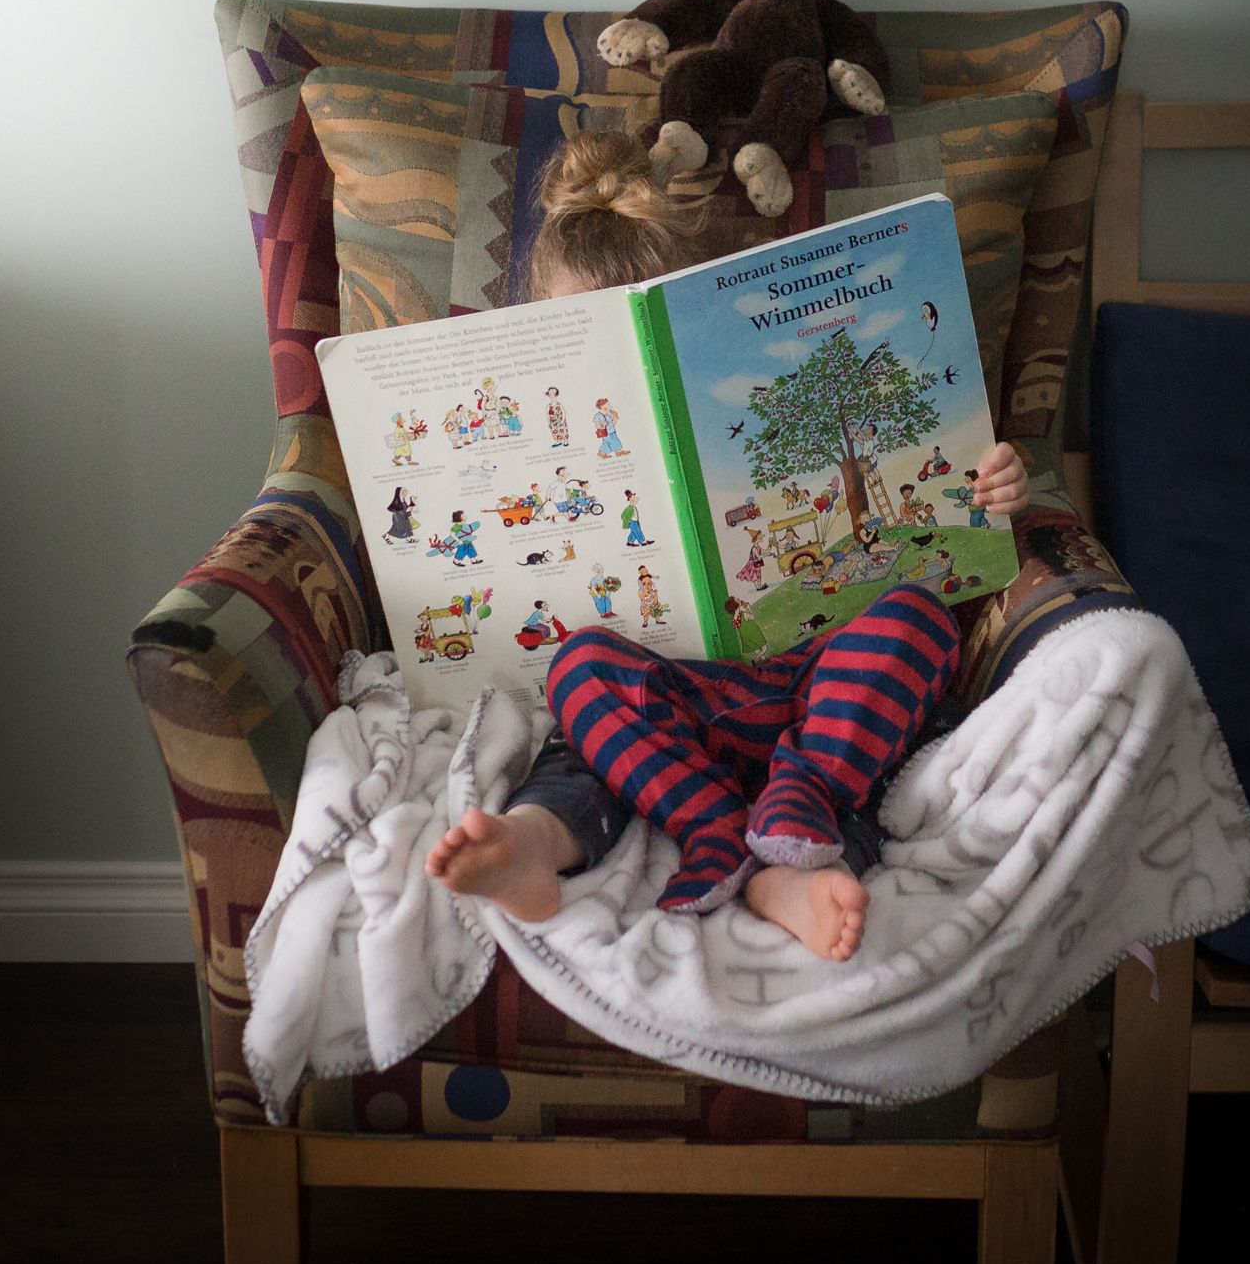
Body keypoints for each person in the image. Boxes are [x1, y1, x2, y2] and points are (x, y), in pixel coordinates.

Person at [426, 130, 1028, 957]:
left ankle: (795, 850)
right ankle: (537, 844)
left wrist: (993, 483)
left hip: (821, 684)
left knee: (915, 624)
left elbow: (954, 509)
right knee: (582, 680)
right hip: (678, 701)